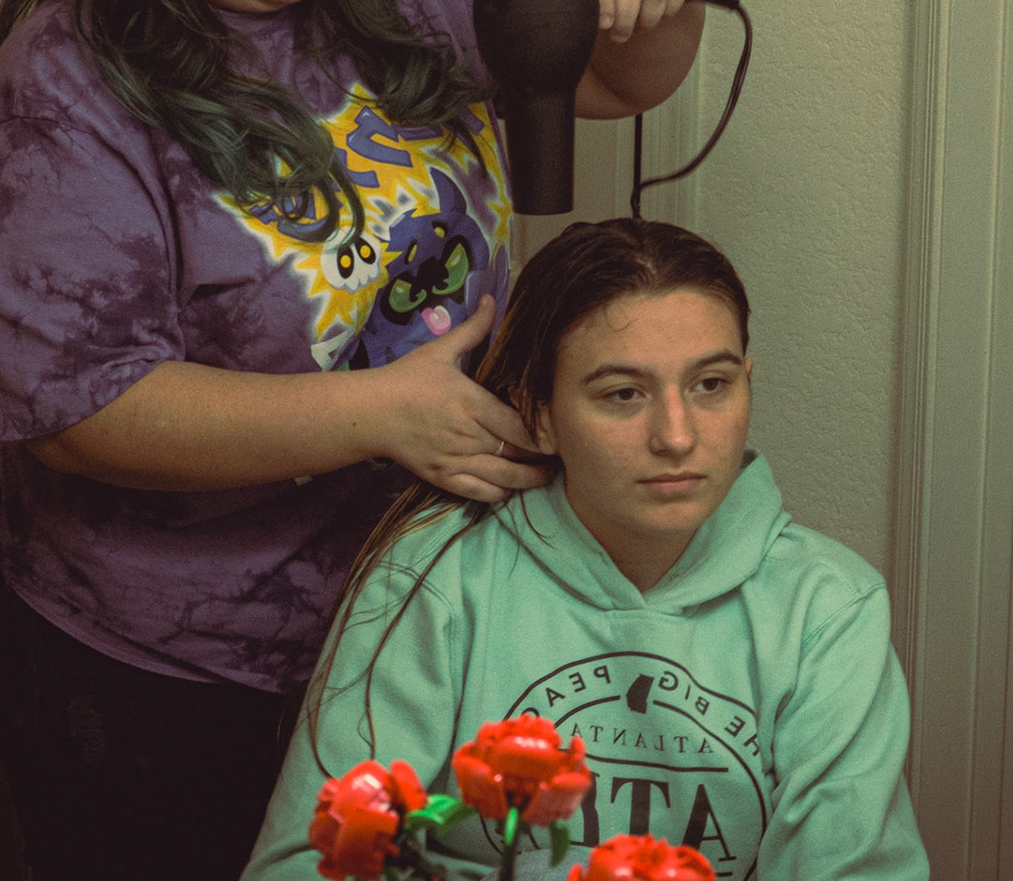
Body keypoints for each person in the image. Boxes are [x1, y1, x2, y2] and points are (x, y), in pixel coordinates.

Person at [0, 0, 705, 880]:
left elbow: (614, 81)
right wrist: (376, 413)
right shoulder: (56, 98)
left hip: (407, 619)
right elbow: (79, 413)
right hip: (164, 674)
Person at [242, 219, 930, 881]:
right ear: (540, 414)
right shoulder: (433, 575)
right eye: (623, 394)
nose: (677, 436)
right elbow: (311, 860)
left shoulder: (829, 607)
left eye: (711, 385)